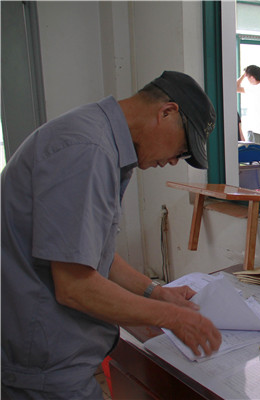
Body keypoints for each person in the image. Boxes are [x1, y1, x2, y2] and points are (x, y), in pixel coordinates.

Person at [1, 71, 222, 399]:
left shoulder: (97, 138)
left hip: (54, 355)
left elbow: (93, 252)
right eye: (183, 147)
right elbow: (75, 286)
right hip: (44, 365)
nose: (174, 160)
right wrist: (173, 317)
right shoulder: (86, 150)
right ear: (166, 112)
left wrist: (156, 293)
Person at [237, 65, 260, 141]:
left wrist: (243, 76)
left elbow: (234, 87)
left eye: (247, 77)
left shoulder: (252, 89)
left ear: (252, 78)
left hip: (254, 127)